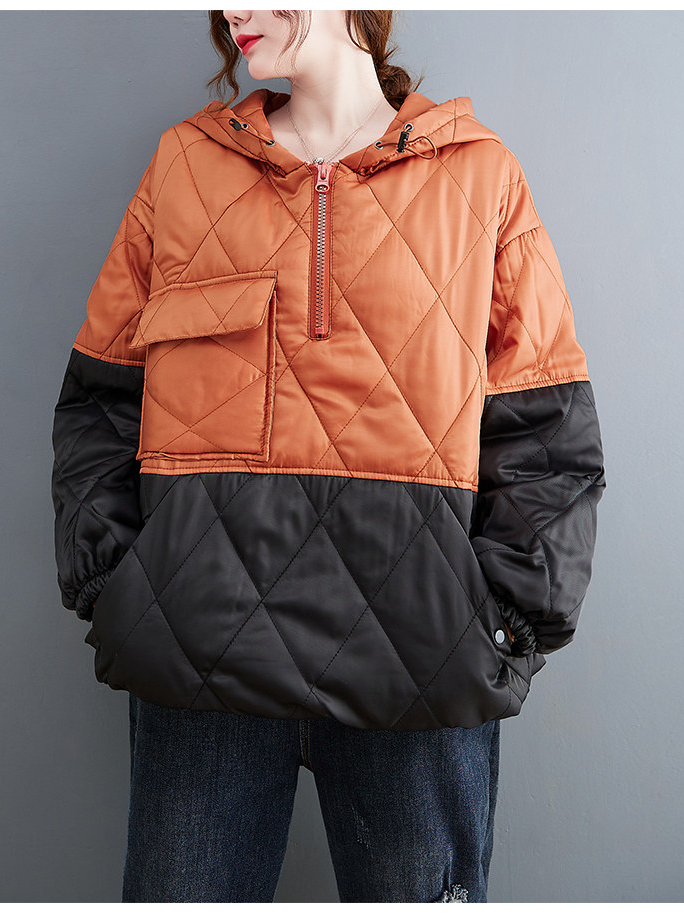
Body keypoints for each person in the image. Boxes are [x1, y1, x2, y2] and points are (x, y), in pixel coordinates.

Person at [50, 9, 606, 904]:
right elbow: (101, 401)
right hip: (199, 668)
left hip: (421, 670)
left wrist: (504, 624)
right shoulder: (185, 166)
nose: (232, 11)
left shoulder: (480, 174)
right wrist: (117, 587)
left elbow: (547, 433)